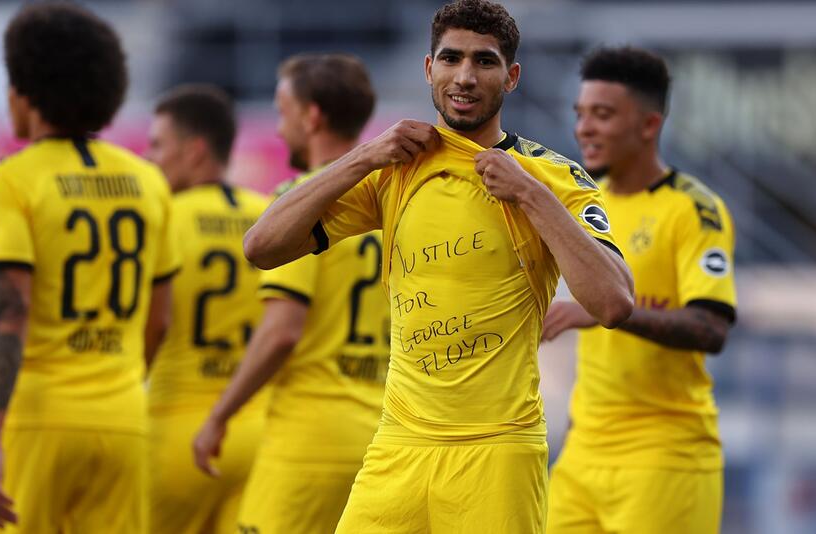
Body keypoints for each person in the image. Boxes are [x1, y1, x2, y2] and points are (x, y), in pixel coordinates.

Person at [241, 1, 634, 532]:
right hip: (398, 446)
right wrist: (362, 156)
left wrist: (529, 195)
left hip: (497, 450)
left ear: (512, 76)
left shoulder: (553, 178)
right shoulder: (397, 169)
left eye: (485, 62)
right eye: (451, 59)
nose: (465, 77)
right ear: (429, 69)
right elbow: (261, 246)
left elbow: (613, 303)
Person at [0, 3, 180, 532]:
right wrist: (119, 386)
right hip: (124, 419)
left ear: (27, 90)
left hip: (37, 420)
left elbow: (7, 313)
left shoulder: (10, 180)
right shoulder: (149, 180)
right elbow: (161, 321)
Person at [192, 53, 390, 533]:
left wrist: (220, 415)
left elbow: (282, 331)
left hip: (308, 441)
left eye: (283, 113)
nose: (280, 131)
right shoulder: (390, 204)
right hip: (381, 437)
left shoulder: (299, 205)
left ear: (312, 115)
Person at [543, 47, 737, 534]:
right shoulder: (587, 203)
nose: (584, 129)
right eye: (581, 114)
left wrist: (614, 310)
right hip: (583, 452)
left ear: (649, 125)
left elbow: (711, 328)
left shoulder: (693, 209)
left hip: (665, 455)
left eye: (603, 115)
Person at [144, 85, 268, 534]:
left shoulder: (160, 218)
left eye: (158, 144)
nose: (150, 157)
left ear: (196, 150)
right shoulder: (269, 217)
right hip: (256, 432)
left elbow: (148, 323)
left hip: (174, 428)